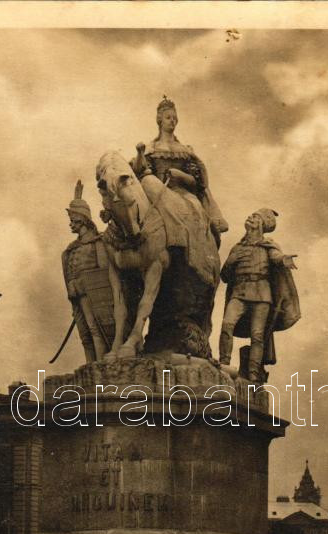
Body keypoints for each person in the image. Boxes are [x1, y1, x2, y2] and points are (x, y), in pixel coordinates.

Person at [131, 96, 228, 245]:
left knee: (196, 210)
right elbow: (140, 172)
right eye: (168, 117)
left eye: (175, 118)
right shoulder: (152, 148)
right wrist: (139, 153)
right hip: (156, 193)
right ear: (160, 120)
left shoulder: (185, 150)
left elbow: (197, 183)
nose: (172, 121)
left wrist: (180, 175)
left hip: (183, 194)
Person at [219, 208, 300, 383]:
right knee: (227, 324)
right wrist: (231, 262)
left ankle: (253, 373)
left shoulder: (267, 246)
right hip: (239, 292)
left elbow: (276, 257)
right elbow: (224, 276)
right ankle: (223, 364)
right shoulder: (237, 247)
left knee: (257, 335)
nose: (250, 217)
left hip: (262, 295)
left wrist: (284, 259)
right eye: (250, 215)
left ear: (262, 224)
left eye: (255, 217)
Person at [61, 181, 113, 362]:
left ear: (81, 220)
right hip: (77, 296)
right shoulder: (71, 249)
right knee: (84, 334)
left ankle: (99, 364)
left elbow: (104, 275)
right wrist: (77, 199)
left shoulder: (98, 243)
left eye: (72, 220)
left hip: (91, 295)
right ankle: (90, 365)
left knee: (95, 329)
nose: (70, 225)